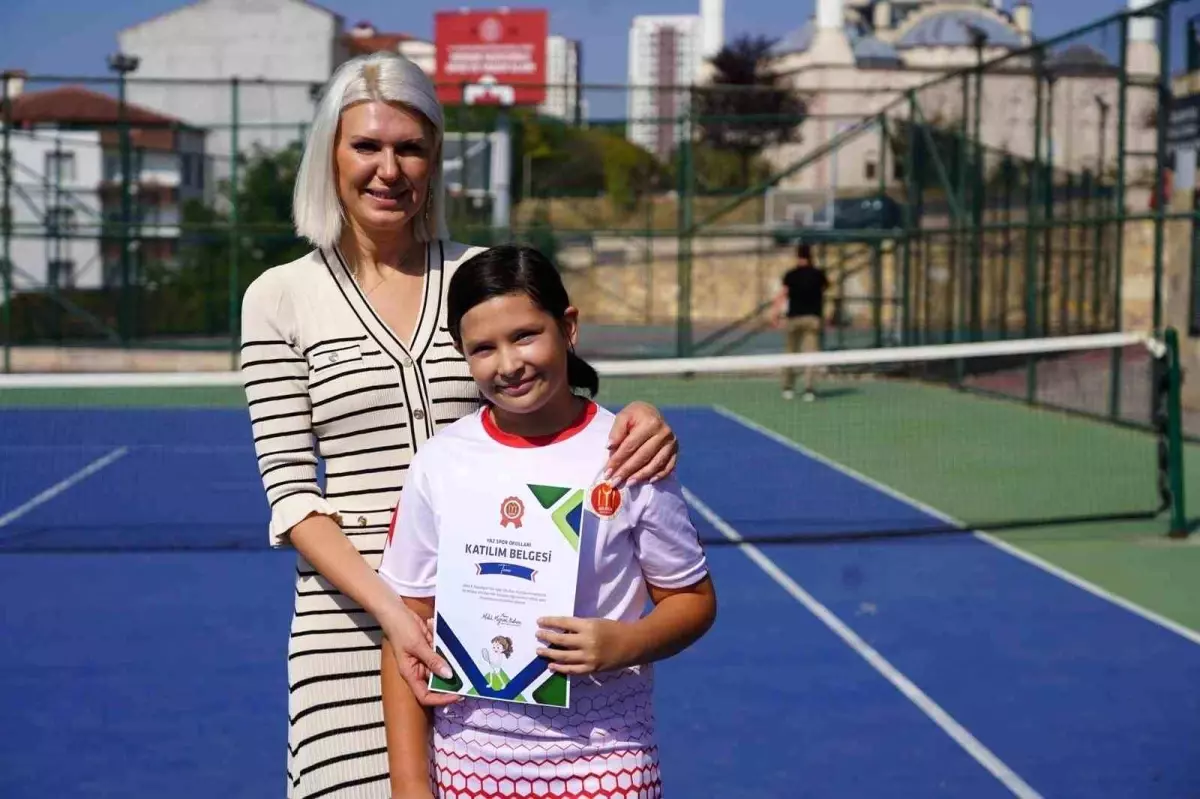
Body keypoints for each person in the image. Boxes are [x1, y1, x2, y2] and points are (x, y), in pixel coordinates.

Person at [239, 54, 681, 799]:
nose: (389, 168)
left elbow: (554, 393)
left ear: (435, 158)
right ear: (330, 154)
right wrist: (395, 613)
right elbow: (291, 494)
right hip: (346, 631)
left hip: (491, 636)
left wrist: (641, 417)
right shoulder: (277, 297)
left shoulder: (477, 276)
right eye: (367, 146)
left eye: (410, 147)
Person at [378, 245, 717, 799]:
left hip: (607, 755)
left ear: (569, 327)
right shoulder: (439, 462)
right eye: (482, 348)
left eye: (525, 335)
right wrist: (411, 787)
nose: (508, 364)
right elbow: (407, 629)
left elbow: (693, 600)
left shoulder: (629, 453)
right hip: (468, 759)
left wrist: (624, 644)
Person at [772, 242, 830, 401]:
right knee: (810, 354)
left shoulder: (790, 275)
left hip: (793, 319)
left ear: (798, 257)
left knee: (790, 353)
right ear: (810, 257)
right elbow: (824, 291)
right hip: (812, 319)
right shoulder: (819, 274)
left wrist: (775, 313)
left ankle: (787, 388)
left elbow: (782, 295)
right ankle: (809, 390)